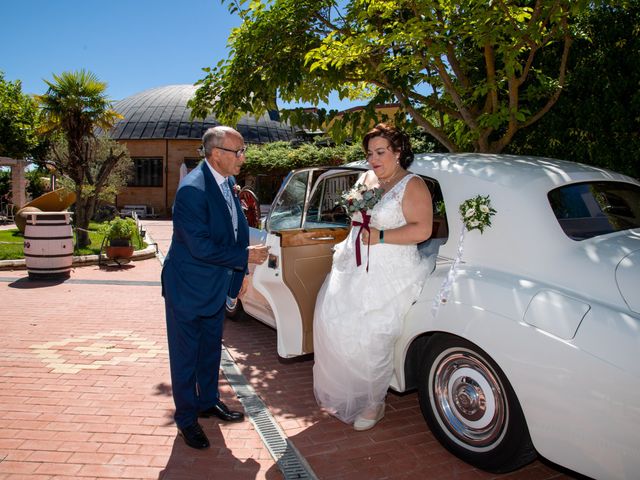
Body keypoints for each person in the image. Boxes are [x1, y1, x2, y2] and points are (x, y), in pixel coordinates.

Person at [313, 123, 433, 431]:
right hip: (354, 265)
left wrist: (380, 236)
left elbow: (422, 229)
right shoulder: (367, 179)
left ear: (399, 152)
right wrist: (356, 203)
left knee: (374, 335)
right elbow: (351, 210)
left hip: (390, 269)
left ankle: (374, 402)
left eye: (380, 152)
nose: (373, 160)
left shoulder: (413, 184)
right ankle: (351, 389)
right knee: (338, 326)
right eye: (369, 153)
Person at [161, 126, 269, 449]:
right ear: (216, 154)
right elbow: (201, 247)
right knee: (185, 357)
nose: (243, 157)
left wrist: (240, 275)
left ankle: (207, 401)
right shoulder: (191, 190)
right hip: (188, 288)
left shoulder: (229, 182)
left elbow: (235, 230)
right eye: (238, 151)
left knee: (210, 350)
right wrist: (244, 257)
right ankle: (186, 419)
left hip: (214, 286)